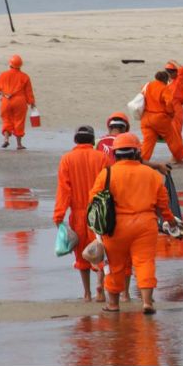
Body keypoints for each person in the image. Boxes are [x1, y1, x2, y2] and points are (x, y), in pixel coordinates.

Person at [90, 133, 178, 314]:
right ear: (137, 153)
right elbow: (163, 204)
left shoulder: (107, 174)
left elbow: (94, 202)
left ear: (115, 154)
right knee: (145, 263)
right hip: (146, 226)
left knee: (114, 265)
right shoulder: (151, 174)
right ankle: (147, 302)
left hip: (115, 227)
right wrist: (171, 222)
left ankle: (113, 305)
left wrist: (96, 227)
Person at [53, 126, 109, 302]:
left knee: (82, 255)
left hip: (77, 214)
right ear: (92, 141)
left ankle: (87, 293)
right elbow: (109, 186)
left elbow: (64, 190)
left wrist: (58, 216)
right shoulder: (102, 157)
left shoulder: (67, 159)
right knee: (101, 250)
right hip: (99, 213)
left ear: (75, 140)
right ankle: (100, 286)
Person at [140, 71, 183, 164]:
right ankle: (179, 157)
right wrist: (170, 114)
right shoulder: (164, 88)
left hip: (145, 119)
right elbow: (169, 102)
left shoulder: (147, 85)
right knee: (173, 138)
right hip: (159, 118)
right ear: (165, 80)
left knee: (148, 141)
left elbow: (142, 96)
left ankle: (142, 160)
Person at [0, 55, 36, 150]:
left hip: (6, 100)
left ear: (10, 64)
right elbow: (29, 92)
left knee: (6, 120)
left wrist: (4, 94)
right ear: (20, 65)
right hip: (20, 101)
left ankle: (6, 139)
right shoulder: (25, 77)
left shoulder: (3, 75)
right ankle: (19, 144)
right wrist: (32, 103)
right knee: (19, 121)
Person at [165, 60, 183, 135]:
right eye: (168, 73)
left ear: (176, 72)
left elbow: (182, 69)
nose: (170, 75)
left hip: (177, 105)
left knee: (177, 127)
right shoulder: (169, 82)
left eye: (171, 73)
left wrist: (172, 62)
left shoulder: (181, 78)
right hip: (168, 105)